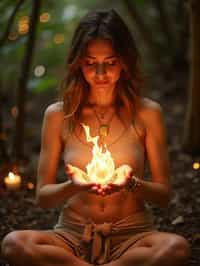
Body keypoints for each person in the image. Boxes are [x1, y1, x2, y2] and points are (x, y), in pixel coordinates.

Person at [1, 8, 191, 266]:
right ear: (78, 63)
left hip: (133, 235)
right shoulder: (59, 115)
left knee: (176, 248)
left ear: (124, 62)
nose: (100, 73)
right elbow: (42, 197)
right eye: (91, 63)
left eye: (110, 62)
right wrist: (74, 186)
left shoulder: (147, 113)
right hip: (73, 234)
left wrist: (130, 183)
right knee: (14, 244)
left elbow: (164, 195)